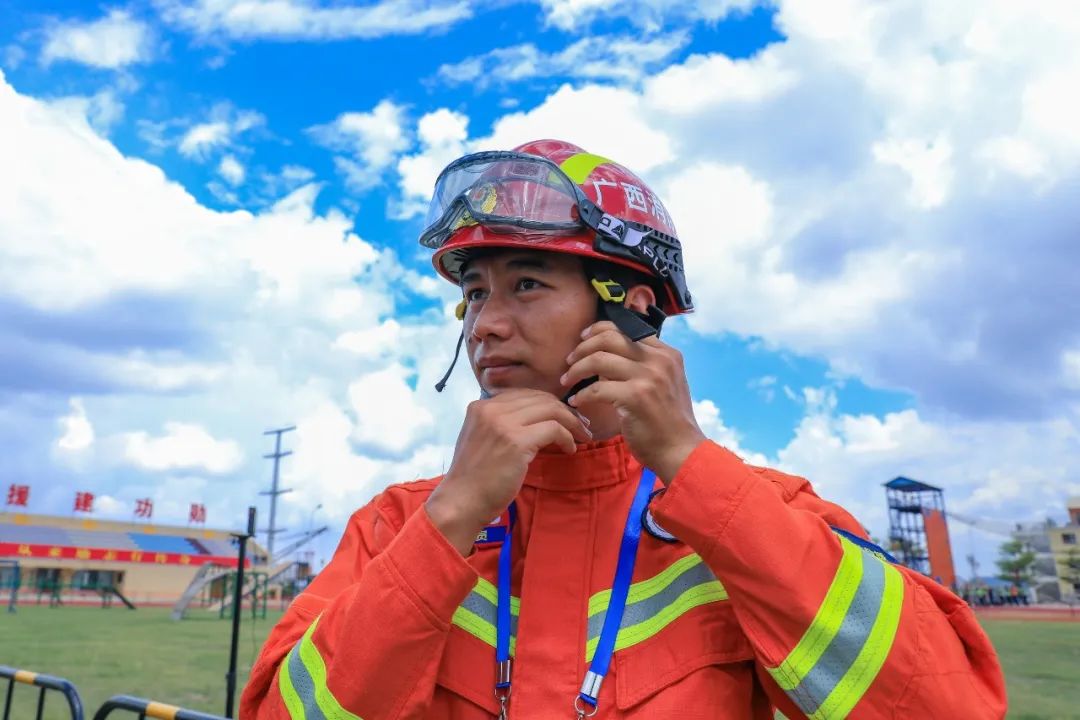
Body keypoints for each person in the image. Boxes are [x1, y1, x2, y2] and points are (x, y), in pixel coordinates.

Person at [241, 140, 1006, 719]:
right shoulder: (398, 526)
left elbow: (947, 702)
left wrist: (688, 464)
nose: (486, 325)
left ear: (630, 308)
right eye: (474, 294)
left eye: (527, 284)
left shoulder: (759, 516)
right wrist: (448, 521)